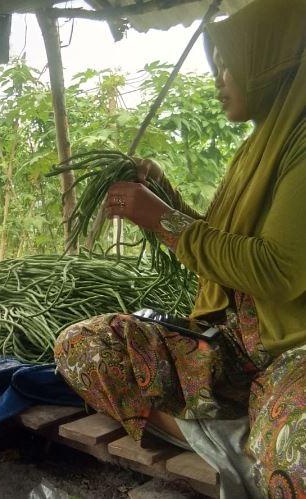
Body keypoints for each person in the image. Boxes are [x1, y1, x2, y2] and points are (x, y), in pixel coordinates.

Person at [54, 0, 305, 497]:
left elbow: (277, 268)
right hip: (229, 347)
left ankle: (259, 436)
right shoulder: (259, 144)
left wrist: (160, 218)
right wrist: (164, 197)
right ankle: (248, 435)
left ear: (270, 61)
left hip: (292, 353)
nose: (219, 79)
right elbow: (225, 242)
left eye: (229, 63)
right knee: (82, 348)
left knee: (300, 456)